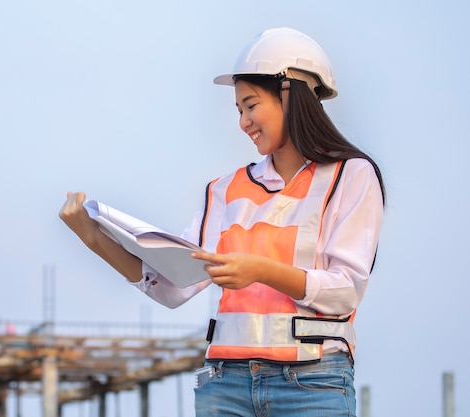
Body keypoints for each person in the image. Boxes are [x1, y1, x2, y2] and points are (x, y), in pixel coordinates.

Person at [59, 27, 385, 417]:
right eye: (239, 110)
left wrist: (260, 270)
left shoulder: (350, 176)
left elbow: (345, 291)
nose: (243, 122)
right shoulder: (224, 190)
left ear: (289, 93)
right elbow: (171, 289)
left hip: (312, 385)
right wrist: (92, 237)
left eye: (250, 105)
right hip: (225, 385)